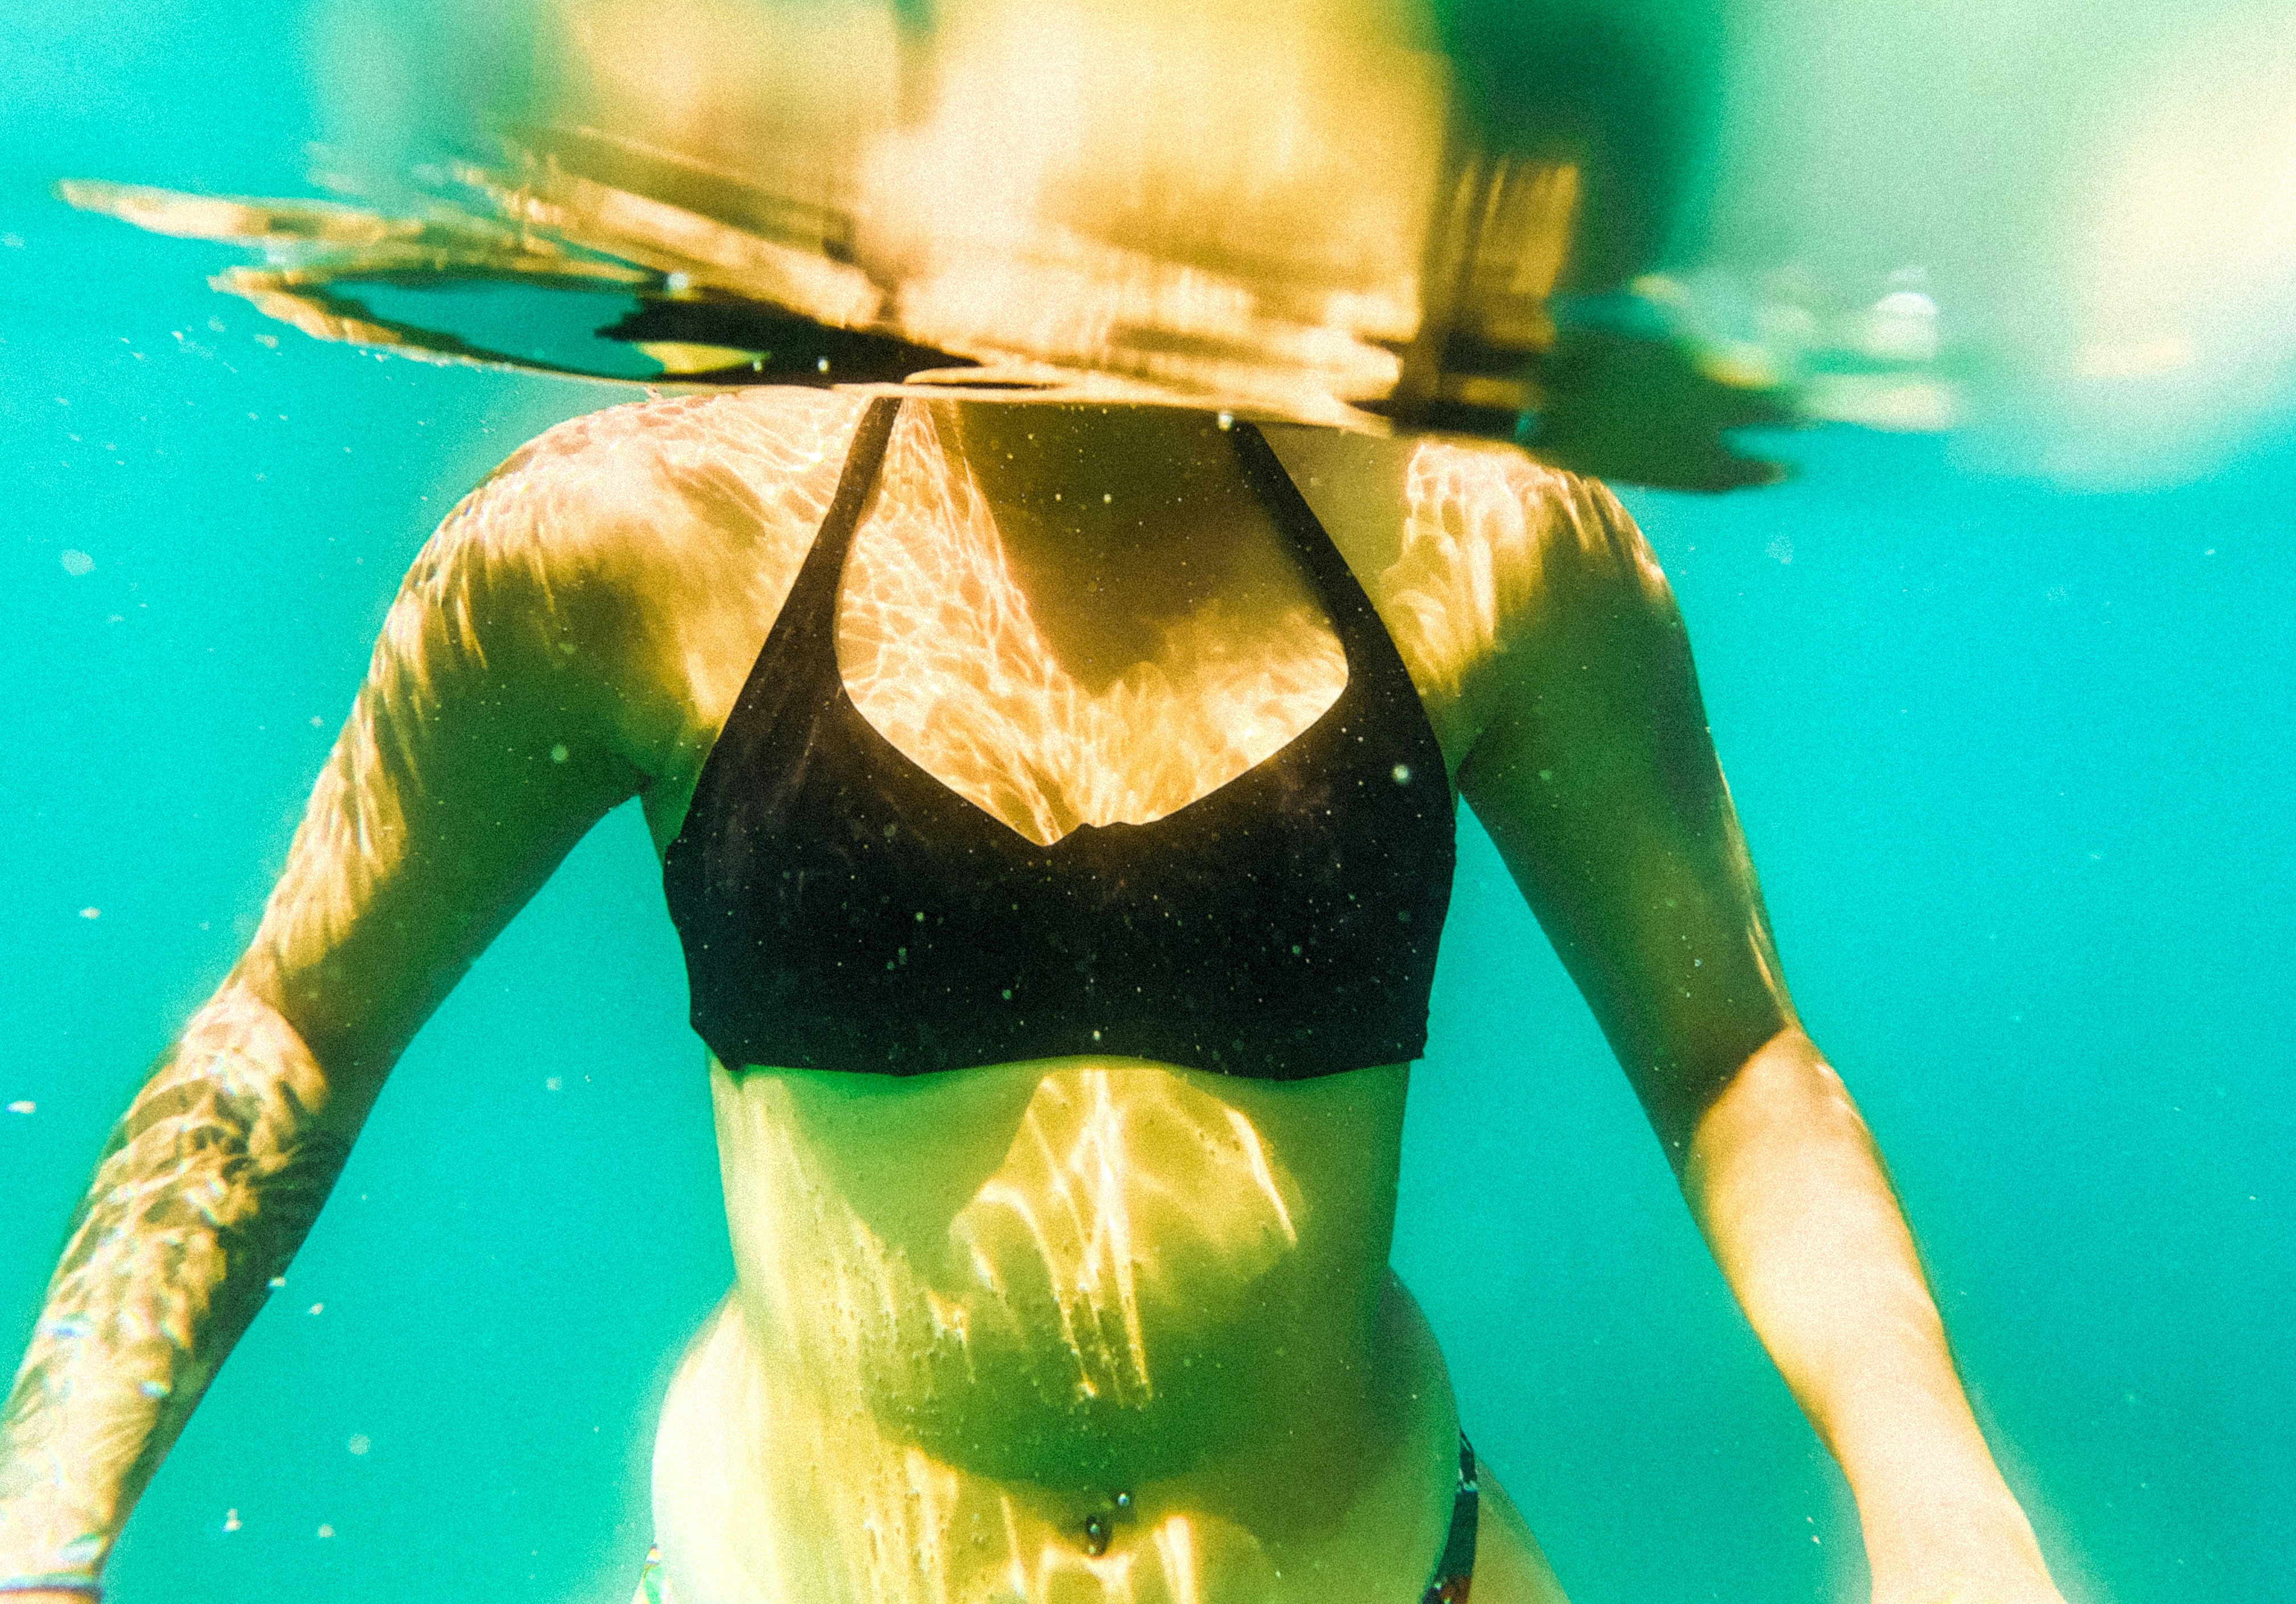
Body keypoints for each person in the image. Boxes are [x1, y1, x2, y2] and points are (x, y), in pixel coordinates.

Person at [0, 373, 2067, 1603]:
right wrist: (43, 1511)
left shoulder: (1497, 547)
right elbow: (291, 1033)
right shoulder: (634, 536)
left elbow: (1733, 1062)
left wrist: (1938, 1496)